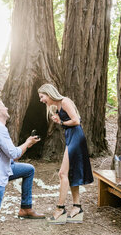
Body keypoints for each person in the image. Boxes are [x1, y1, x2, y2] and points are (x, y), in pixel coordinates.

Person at [38, 84, 93, 224]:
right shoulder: (57, 106)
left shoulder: (64, 101)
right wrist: (59, 121)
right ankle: (77, 207)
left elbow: (76, 121)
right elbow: (68, 123)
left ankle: (60, 209)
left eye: (42, 96)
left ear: (49, 94)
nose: (41, 100)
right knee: (71, 172)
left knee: (63, 173)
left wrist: (61, 121)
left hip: (76, 136)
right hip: (71, 136)